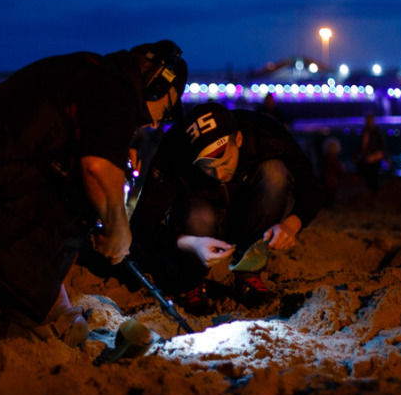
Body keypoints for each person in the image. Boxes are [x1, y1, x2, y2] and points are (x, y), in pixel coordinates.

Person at [0, 40, 187, 347]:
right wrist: (119, 230)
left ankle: (52, 311)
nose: (155, 123)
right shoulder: (118, 90)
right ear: (155, 83)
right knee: (36, 335)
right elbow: (97, 169)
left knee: (50, 315)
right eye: (165, 110)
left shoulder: (93, 73)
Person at [129, 102, 323, 315]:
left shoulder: (264, 132)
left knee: (275, 173)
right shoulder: (174, 151)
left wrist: (291, 225)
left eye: (224, 161)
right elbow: (143, 224)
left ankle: (248, 271)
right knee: (198, 216)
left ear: (238, 140)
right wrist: (191, 243)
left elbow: (311, 185)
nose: (219, 173)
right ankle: (191, 280)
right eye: (208, 168)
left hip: (249, 213)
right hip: (200, 218)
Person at [356, 113, 387, 193]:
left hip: (374, 158)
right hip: (367, 158)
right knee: (369, 177)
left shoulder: (376, 132)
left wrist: (384, 156)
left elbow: (382, 145)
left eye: (370, 120)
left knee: (374, 176)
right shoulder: (365, 131)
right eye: (367, 120)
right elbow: (362, 145)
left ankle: (374, 193)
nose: (368, 122)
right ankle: (372, 193)